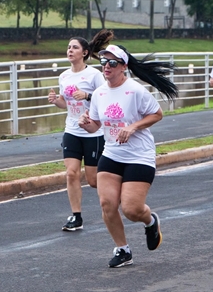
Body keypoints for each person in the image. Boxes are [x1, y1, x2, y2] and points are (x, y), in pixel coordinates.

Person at [78, 44, 179, 267]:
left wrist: (133, 127)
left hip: (139, 155)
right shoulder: (99, 94)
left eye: (112, 63)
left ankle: (150, 221)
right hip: (112, 153)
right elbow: (96, 126)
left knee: (132, 210)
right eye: (103, 62)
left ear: (123, 66)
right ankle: (123, 250)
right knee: (107, 203)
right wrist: (86, 124)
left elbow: (157, 114)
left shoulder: (136, 91)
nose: (106, 66)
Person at [48, 30, 113, 231]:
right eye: (69, 47)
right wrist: (56, 101)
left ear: (84, 53)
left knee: (93, 180)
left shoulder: (94, 75)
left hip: (93, 132)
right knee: (71, 173)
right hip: (72, 130)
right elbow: (65, 104)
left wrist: (86, 95)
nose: (70, 50)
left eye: (75, 47)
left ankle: (113, 201)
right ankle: (76, 216)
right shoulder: (64, 76)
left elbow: (106, 97)